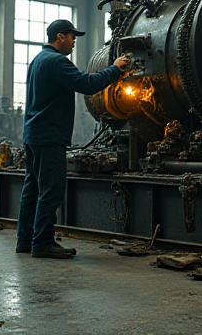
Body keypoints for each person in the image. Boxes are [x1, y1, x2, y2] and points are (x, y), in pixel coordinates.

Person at [17, 19, 129, 259]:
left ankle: (25, 240)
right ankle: (44, 242)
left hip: (33, 135)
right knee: (52, 190)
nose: (74, 41)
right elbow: (87, 84)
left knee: (32, 188)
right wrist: (116, 68)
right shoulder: (57, 61)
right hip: (50, 136)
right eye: (71, 37)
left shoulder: (38, 60)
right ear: (60, 37)